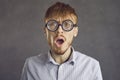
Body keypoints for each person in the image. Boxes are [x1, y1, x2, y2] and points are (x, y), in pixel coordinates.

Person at [20, 2, 103, 80]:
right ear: (45, 31)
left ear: (75, 31)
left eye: (66, 24)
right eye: (52, 24)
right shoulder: (31, 66)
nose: (59, 30)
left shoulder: (92, 66)